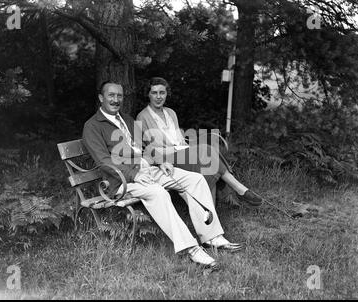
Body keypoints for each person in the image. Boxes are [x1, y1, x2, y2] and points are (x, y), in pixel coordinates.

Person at [82, 80, 243, 270]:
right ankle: (190, 248)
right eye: (111, 95)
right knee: (158, 193)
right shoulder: (92, 126)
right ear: (101, 98)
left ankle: (212, 236)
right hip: (122, 180)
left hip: (149, 170)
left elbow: (145, 146)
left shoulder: (126, 118)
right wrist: (134, 175)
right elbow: (103, 161)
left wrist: (160, 160)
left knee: (195, 179)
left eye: (119, 96)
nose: (116, 100)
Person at [136, 77, 262, 207]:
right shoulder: (142, 117)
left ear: (167, 94)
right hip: (166, 159)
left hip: (182, 152)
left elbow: (179, 138)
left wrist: (188, 149)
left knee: (207, 161)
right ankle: (238, 190)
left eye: (162, 93)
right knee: (206, 151)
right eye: (154, 93)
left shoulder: (171, 113)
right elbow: (150, 149)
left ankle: (211, 210)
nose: (158, 97)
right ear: (148, 94)